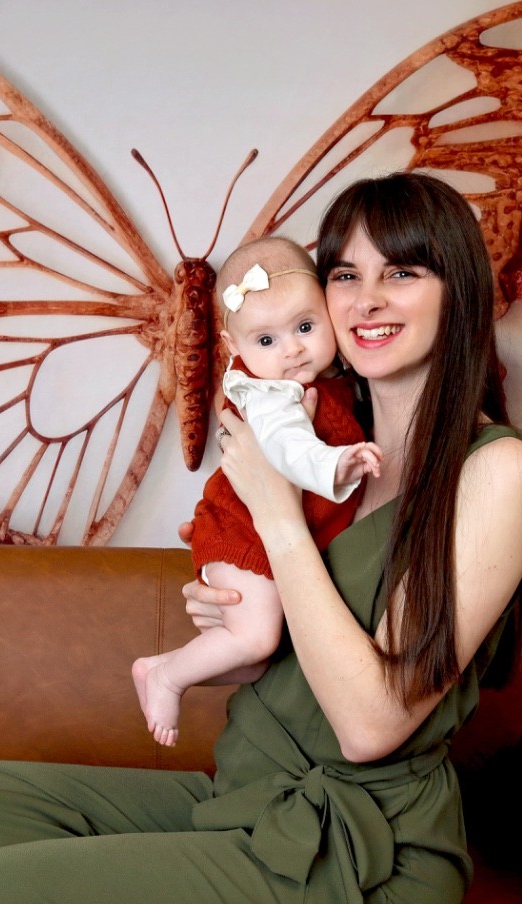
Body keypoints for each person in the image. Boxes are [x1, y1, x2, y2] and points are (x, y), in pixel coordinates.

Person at [0, 172, 522, 904]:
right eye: (345, 275)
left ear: (459, 289)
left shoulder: (494, 471)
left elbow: (370, 722)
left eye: (403, 273)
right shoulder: (325, 438)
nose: (366, 299)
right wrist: (240, 642)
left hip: (360, 855)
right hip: (250, 801)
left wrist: (276, 518)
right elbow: (312, 659)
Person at [133, 236, 382, 747]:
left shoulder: (327, 379)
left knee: (256, 653)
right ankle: (166, 674)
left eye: (306, 328)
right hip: (243, 531)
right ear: (235, 347)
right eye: (265, 341)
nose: (291, 350)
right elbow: (290, 449)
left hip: (270, 536)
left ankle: (190, 665)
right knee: (256, 637)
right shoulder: (269, 394)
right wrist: (339, 461)